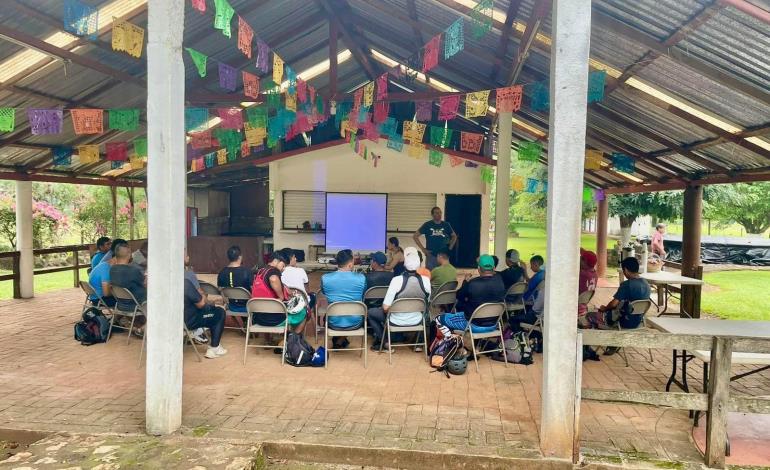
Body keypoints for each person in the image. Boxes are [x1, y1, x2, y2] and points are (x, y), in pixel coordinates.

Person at [368, 247, 430, 352]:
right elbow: (426, 303)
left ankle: (385, 343)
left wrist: (395, 308)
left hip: (395, 319)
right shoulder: (426, 281)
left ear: (404, 264)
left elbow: (385, 308)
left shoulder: (397, 280)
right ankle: (418, 343)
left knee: (371, 312)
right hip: (418, 320)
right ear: (419, 264)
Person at [586, 257, 651, 355]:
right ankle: (613, 343)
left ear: (625, 270)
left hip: (623, 321)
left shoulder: (627, 285)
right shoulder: (646, 284)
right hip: (638, 321)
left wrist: (604, 308)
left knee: (590, 316)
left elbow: (613, 304)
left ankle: (589, 348)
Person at [438, 254, 505, 332]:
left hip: (473, 324)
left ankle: (450, 342)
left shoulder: (472, 283)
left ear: (479, 268)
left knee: (440, 318)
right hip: (493, 325)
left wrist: (465, 282)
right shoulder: (500, 281)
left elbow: (459, 296)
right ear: (493, 268)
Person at [321, 250, 367, 348]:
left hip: (333, 322)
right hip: (355, 322)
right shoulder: (361, 278)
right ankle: (340, 340)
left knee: (329, 313)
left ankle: (339, 340)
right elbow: (363, 294)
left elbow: (325, 292)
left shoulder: (325, 278)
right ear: (350, 265)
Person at [184, 271, 228, 359]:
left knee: (211, 309)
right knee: (220, 312)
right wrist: (203, 295)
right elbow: (201, 303)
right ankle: (214, 348)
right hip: (189, 321)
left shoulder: (159, 284)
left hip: (170, 322)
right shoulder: (185, 283)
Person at [109, 244, 146, 336]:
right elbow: (144, 283)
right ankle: (143, 328)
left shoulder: (112, 269)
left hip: (121, 304)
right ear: (129, 254)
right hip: (136, 304)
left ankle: (137, 325)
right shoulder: (133, 270)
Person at [577, 249, 599, 325]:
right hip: (583, 307)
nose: (579, 258)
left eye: (581, 258)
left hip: (575, 306)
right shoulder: (594, 274)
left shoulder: (582, 274)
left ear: (584, 262)